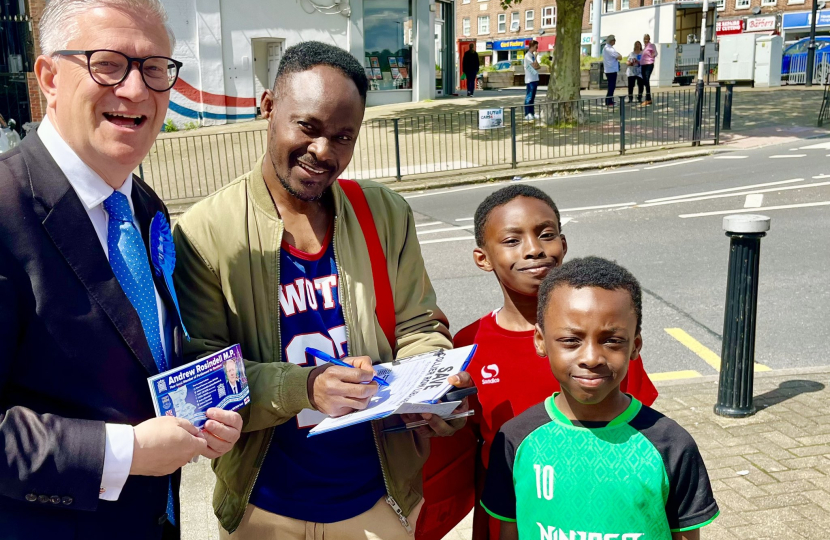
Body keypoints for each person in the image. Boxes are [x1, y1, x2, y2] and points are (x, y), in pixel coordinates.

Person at [173, 41, 472, 540]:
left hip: (377, 500)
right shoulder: (206, 232)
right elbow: (202, 378)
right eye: (307, 127)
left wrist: (433, 386)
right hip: (263, 508)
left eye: (343, 137)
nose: (323, 152)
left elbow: (419, 326)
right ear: (268, 107)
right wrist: (305, 387)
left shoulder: (385, 213)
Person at [0, 1, 243, 539]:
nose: (136, 90)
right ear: (49, 78)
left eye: (155, 68)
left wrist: (205, 413)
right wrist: (126, 452)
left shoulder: (144, 205)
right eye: (108, 63)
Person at [454, 185, 658, 540]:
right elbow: (471, 450)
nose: (534, 249)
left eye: (546, 234)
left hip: (603, 512)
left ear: (563, 245)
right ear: (482, 257)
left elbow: (642, 430)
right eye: (512, 240)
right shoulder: (468, 345)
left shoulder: (606, 341)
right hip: (512, 515)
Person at [481, 257, 720, 540]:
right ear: (540, 341)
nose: (592, 358)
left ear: (635, 345)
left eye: (612, 340)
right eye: (571, 340)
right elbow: (509, 530)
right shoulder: (515, 440)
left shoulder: (670, 445)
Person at [523, 41, 541, 121]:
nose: (537, 49)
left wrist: (536, 63)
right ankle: (527, 114)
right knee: (529, 97)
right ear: (532, 46)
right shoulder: (528, 56)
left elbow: (538, 66)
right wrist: (536, 62)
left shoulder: (532, 55)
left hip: (534, 78)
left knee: (532, 98)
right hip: (530, 79)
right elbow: (535, 66)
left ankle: (532, 113)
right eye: (536, 47)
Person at [603, 35, 622, 107]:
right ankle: (609, 101)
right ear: (611, 41)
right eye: (614, 40)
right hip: (611, 70)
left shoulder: (608, 48)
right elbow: (619, 57)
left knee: (611, 86)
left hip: (610, 69)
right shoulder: (609, 49)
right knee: (611, 86)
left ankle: (609, 100)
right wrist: (619, 55)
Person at [641, 34, 658, 105]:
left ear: (649, 39)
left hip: (649, 64)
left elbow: (656, 52)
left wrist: (653, 55)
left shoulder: (651, 45)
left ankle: (648, 98)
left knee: (646, 79)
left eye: (647, 39)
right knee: (644, 80)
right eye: (644, 39)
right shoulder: (644, 47)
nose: (645, 40)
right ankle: (648, 98)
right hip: (643, 64)